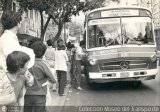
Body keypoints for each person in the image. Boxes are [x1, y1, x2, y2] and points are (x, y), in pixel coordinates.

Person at [0, 11, 35, 108]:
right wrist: (28, 75)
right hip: (7, 79)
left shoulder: (11, 37)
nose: (22, 22)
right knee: (11, 104)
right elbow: (15, 60)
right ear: (17, 22)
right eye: (21, 20)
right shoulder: (7, 39)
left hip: (11, 77)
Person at [24, 41, 56, 112]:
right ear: (44, 53)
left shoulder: (27, 63)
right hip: (40, 94)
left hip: (27, 94)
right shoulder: (43, 64)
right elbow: (53, 80)